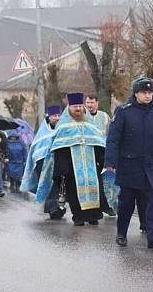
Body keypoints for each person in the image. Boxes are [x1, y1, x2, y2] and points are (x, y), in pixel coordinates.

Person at [105, 77, 153, 249]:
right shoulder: (124, 111)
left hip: (152, 164)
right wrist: (110, 162)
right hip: (129, 164)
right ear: (136, 93)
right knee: (126, 201)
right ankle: (121, 233)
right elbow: (113, 139)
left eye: (150, 92)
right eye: (144, 92)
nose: (148, 96)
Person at [35, 93, 107, 226]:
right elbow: (59, 149)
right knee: (74, 192)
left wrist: (102, 161)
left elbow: (99, 145)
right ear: (69, 108)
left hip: (92, 166)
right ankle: (78, 216)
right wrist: (62, 168)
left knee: (95, 189)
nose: (78, 109)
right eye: (75, 106)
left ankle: (93, 215)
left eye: (80, 106)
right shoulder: (63, 127)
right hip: (71, 168)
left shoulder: (91, 125)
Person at [20, 110, 64, 220]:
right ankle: (53, 209)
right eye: (55, 115)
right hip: (43, 163)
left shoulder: (63, 129)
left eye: (59, 115)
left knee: (59, 186)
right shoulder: (43, 132)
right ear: (49, 117)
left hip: (59, 162)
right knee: (49, 185)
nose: (57, 118)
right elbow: (37, 149)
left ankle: (57, 207)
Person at [85, 94, 117, 216]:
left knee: (107, 180)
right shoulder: (82, 117)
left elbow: (111, 134)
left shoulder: (105, 117)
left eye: (92, 102)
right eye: (87, 103)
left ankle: (109, 205)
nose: (89, 105)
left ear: (97, 103)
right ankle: (92, 207)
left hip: (103, 152)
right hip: (87, 153)